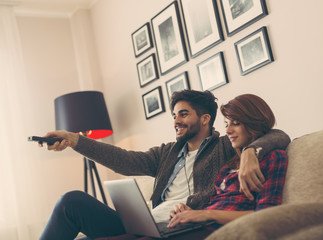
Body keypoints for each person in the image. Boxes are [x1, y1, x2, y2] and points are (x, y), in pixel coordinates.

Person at [39, 90, 290, 240]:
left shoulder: (225, 145)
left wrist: (250, 151)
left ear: (205, 119)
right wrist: (75, 140)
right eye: (174, 115)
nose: (176, 121)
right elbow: (125, 161)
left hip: (177, 227)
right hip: (145, 223)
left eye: (183, 114)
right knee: (72, 203)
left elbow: (277, 135)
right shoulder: (167, 153)